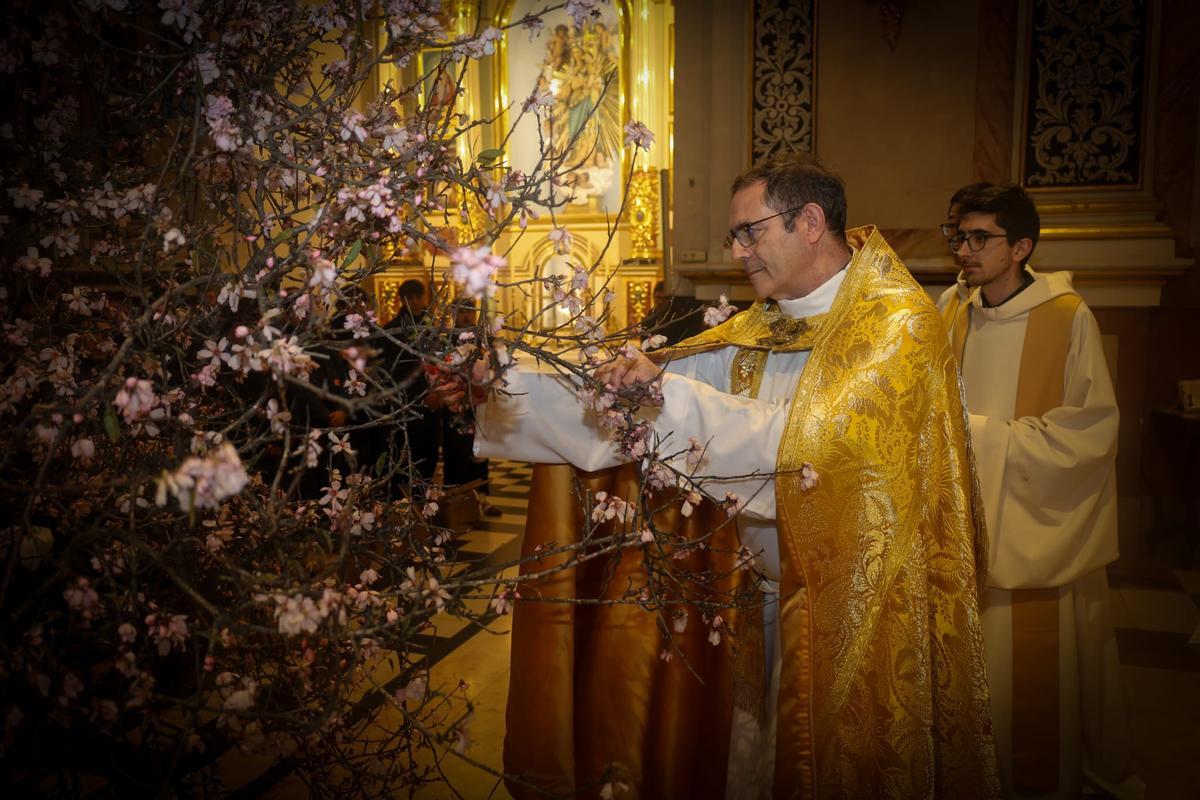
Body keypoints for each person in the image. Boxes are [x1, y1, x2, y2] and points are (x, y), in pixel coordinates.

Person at [467, 155, 1000, 798]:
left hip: (853, 613)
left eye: (751, 231)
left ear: (810, 222)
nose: (739, 251)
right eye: (735, 235)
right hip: (754, 601)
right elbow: (650, 408)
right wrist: (501, 390)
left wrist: (663, 399)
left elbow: (805, 457)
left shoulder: (896, 328)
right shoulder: (767, 322)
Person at [938, 184, 1141, 799]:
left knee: (1031, 672)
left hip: (1032, 521)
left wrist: (982, 441)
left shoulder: (1067, 316)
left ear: (1021, 246)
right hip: (963, 520)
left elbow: (1089, 434)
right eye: (959, 236)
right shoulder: (949, 309)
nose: (965, 251)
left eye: (981, 238)